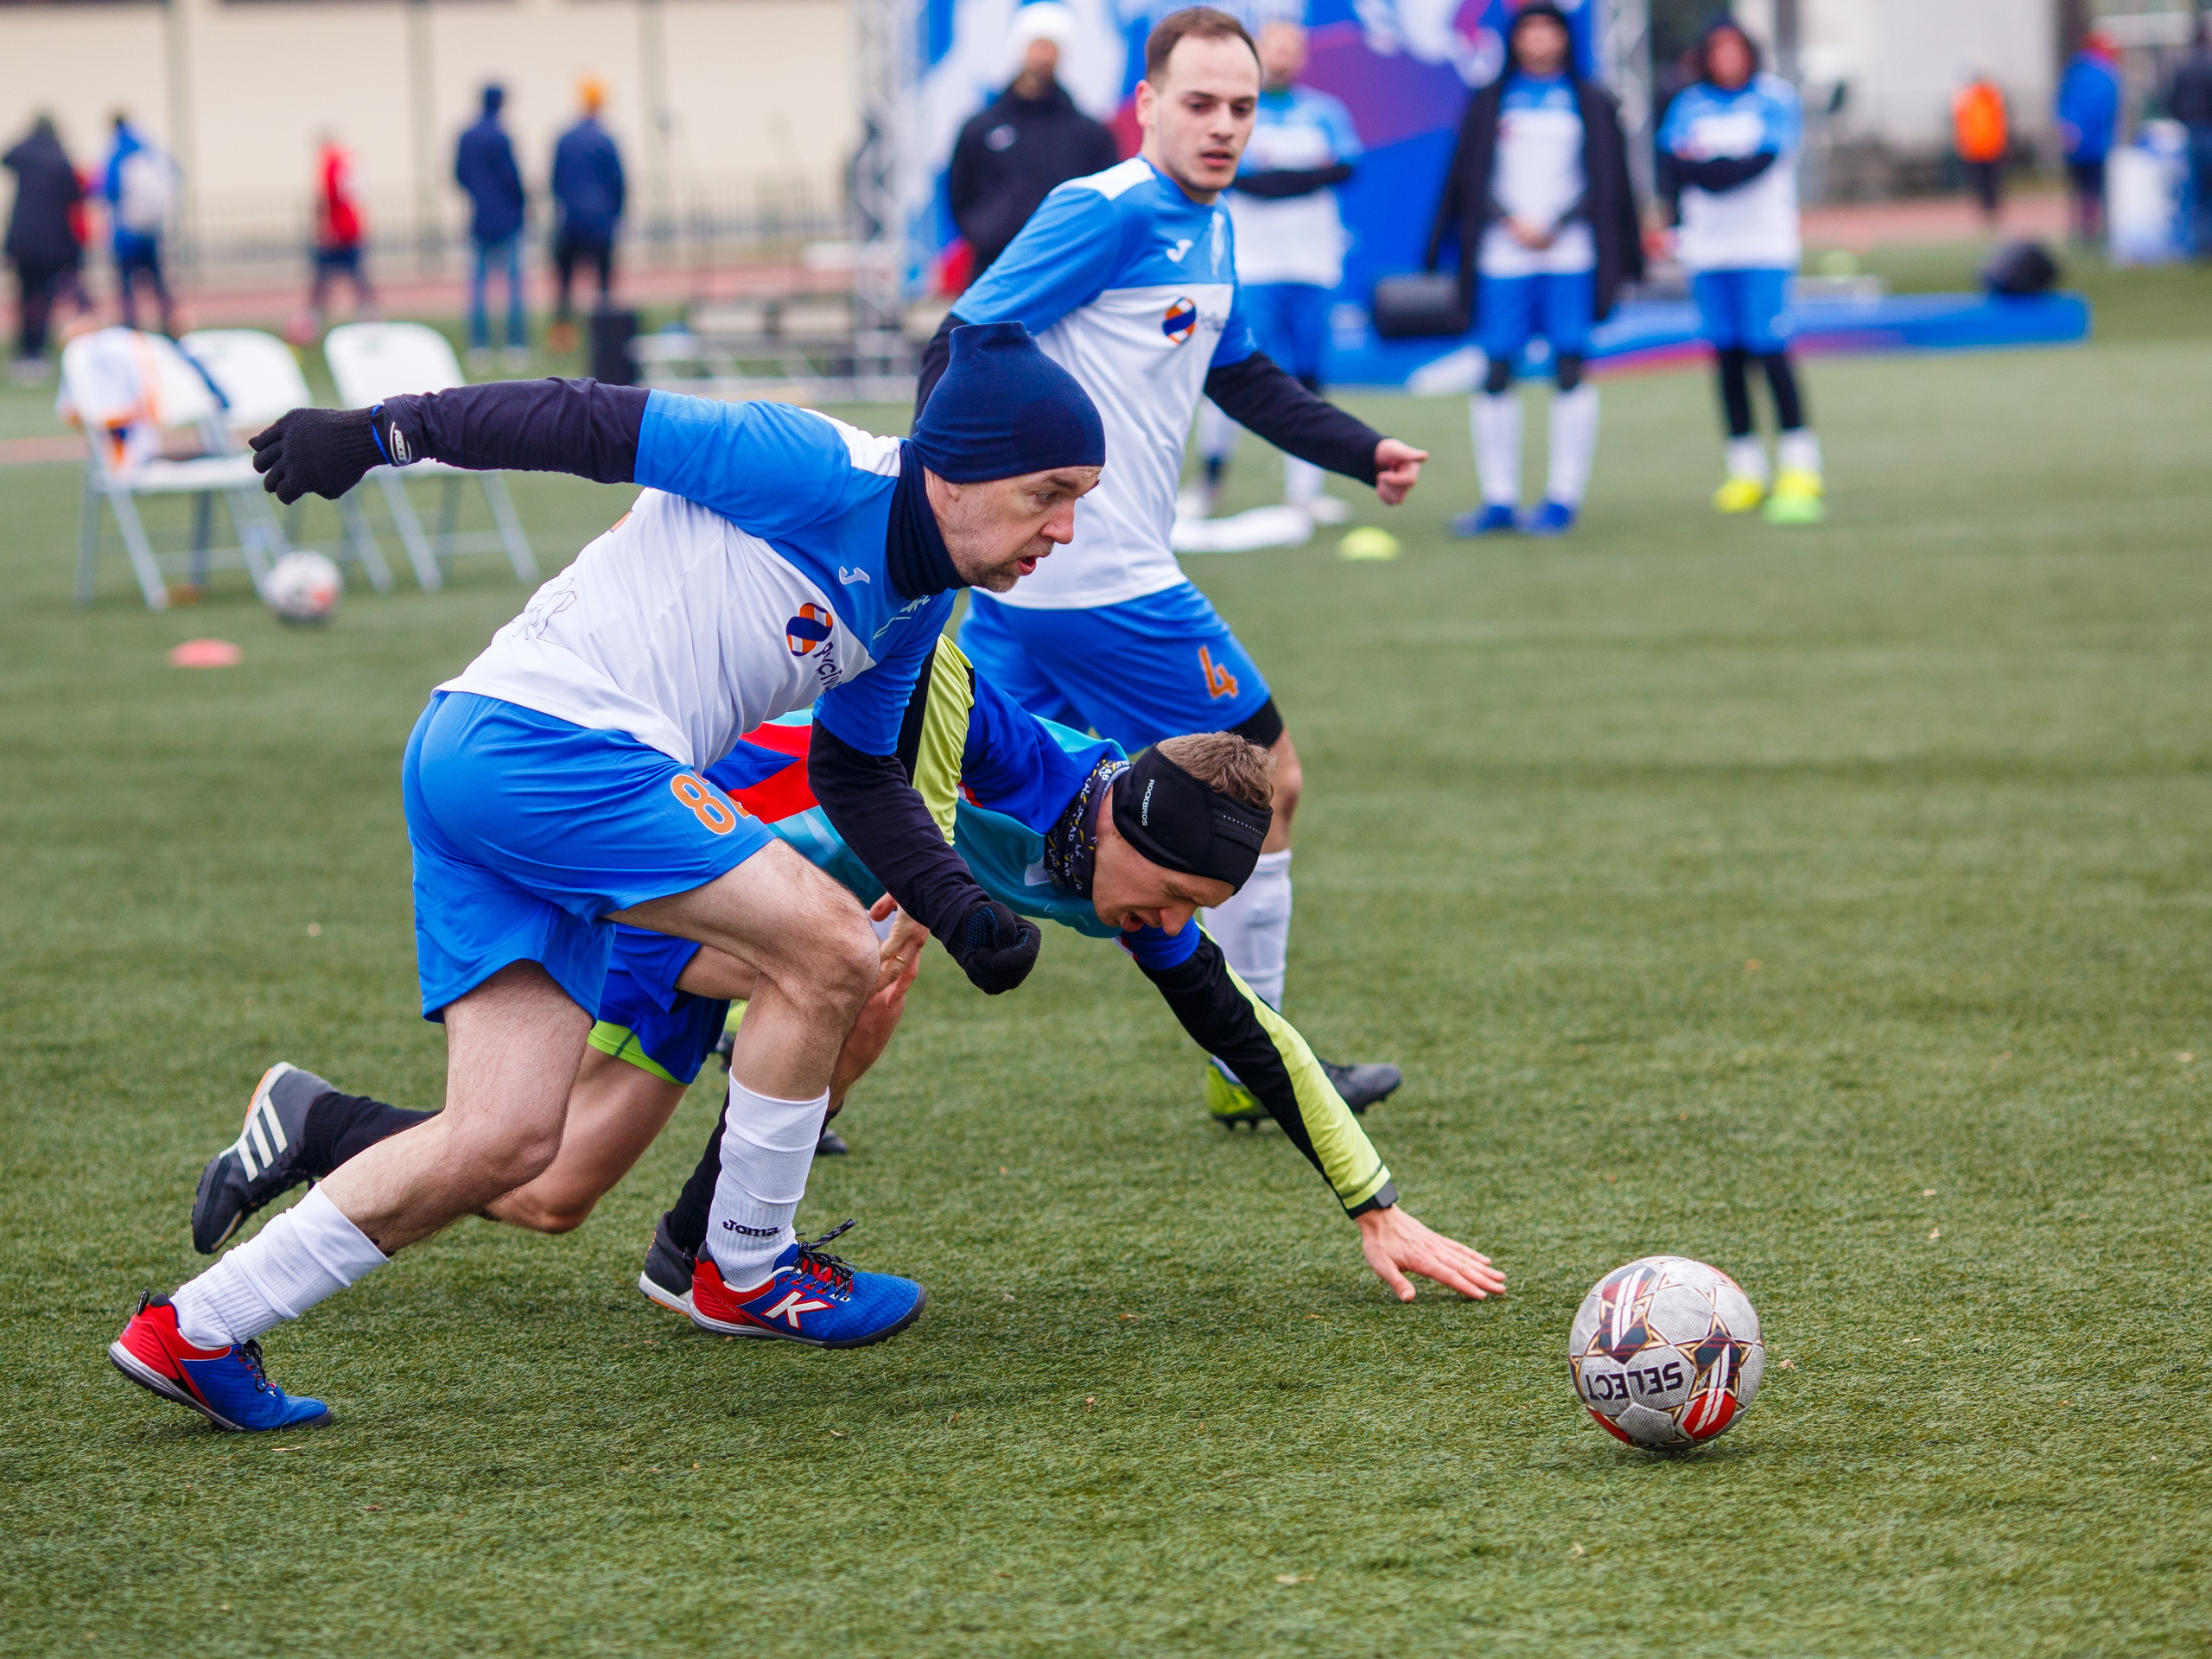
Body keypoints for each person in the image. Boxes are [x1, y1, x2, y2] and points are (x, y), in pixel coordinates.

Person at [107, 323, 1105, 1432]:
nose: (1063, 528)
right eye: (1046, 493)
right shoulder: (816, 465)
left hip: (484, 764)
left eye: (1079, 499)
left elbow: (858, 774)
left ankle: (194, 1329)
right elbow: (583, 420)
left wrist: (960, 910)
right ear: (954, 465)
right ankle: (744, 1266)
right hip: (545, 747)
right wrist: (379, 433)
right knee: (829, 949)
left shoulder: (920, 606)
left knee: (507, 1145)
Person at [185, 646, 1500, 1363]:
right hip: (687, 869)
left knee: (548, 1189)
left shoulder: (1137, 882)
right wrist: (913, 880)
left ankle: (327, 1122)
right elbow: (922, 677)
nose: (1162, 929)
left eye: (1187, 915)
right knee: (830, 987)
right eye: (1161, 897)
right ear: (1117, 818)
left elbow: (1241, 1029)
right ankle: (722, 1260)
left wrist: (1374, 1206)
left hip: (776, 939)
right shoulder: (1017, 756)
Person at [920, 8, 1428, 1129]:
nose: (1224, 126)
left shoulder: (1210, 227)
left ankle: (776, 1037)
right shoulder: (1105, 210)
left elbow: (1238, 378)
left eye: (1241, 107)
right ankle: (1263, 1066)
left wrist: (1360, 453)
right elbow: (968, 335)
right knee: (1270, 781)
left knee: (919, 819)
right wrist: (940, 504)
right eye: (1199, 103)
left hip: (1034, 594)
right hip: (1104, 585)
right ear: (1144, 106)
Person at [1425, 2, 1640, 538]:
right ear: (1515, 40)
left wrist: (1559, 222)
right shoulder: (1490, 101)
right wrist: (1510, 222)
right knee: (1497, 369)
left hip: (1571, 254)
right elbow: (1468, 178)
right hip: (1503, 255)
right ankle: (1498, 497)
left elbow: (1609, 179)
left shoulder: (1590, 101)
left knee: (1571, 366)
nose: (1540, 41)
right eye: (1529, 31)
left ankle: (1563, 496)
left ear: (1564, 38)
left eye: (1550, 31)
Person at [1189, 18, 1364, 525]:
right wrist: (1303, 177)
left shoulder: (1325, 112)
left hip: (1312, 264)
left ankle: (1304, 490)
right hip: (1252, 266)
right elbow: (1235, 176)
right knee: (1233, 370)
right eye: (1273, 51)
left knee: (1309, 376)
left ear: (1302, 57)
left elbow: (1346, 168)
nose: (1282, 60)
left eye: (1291, 51)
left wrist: (1272, 180)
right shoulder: (1236, 113)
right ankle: (1210, 483)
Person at [1657, 17, 1822, 526]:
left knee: (1770, 353)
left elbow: (1753, 165)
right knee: (1726, 359)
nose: (1728, 60)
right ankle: (1745, 470)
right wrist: (1714, 170)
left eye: (1737, 50)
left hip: (1763, 247)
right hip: (1708, 251)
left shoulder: (1774, 98)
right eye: (1718, 51)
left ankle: (1799, 469)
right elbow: (1674, 165)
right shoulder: (1689, 105)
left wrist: (1710, 168)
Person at [946, 3, 1120, 282]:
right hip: (995, 272)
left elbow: (1107, 200)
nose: (1043, 54)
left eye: (1051, 45)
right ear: (1020, 46)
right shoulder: (980, 129)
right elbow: (960, 195)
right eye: (1037, 44)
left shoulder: (1089, 134)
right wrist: (987, 231)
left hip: (1067, 273)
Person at [454, 85, 529, 366]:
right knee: (514, 287)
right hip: (508, 219)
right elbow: (512, 177)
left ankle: (479, 347)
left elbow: (459, 174)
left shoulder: (467, 136)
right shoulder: (501, 136)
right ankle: (515, 346)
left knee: (478, 287)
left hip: (479, 219)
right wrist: (522, 203)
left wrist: (478, 196)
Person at [4, 116, 83, 378]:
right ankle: (36, 350)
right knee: (43, 297)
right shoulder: (59, 158)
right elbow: (73, 195)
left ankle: (27, 349)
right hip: (51, 242)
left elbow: (8, 157)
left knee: (26, 295)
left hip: (23, 240)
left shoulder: (25, 155)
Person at [550, 76, 626, 346]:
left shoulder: (565, 138)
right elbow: (618, 182)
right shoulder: (606, 139)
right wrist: (617, 215)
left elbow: (555, 180)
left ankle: (562, 337)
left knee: (565, 286)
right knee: (603, 285)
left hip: (570, 221)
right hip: (601, 222)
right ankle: (605, 337)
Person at [101, 112, 176, 336]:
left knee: (126, 285)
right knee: (158, 282)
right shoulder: (149, 148)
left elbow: (108, 189)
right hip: (151, 230)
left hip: (126, 233)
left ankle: (132, 326)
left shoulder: (117, 152)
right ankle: (168, 322)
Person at [2056, 35, 2121, 245]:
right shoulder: (2103, 73)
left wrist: (2068, 129)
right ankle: (2095, 230)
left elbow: (2063, 104)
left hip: (2082, 143)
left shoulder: (2076, 70)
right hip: (2096, 143)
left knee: (2082, 189)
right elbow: (2106, 109)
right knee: (2096, 188)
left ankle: (2086, 230)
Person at [308, 134, 376, 327]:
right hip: (352, 225)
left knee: (325, 273)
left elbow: (327, 196)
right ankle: (368, 310)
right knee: (354, 272)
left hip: (338, 227)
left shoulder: (330, 162)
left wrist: (322, 226)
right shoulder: (348, 160)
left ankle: (315, 314)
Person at [2166, 18, 2212, 256]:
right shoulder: (2209, 65)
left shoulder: (2183, 66)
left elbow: (2171, 100)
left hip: (2191, 132)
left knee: (2193, 192)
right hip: (2208, 130)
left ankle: (2193, 245)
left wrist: (2184, 119)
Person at [1952, 73, 2009, 229]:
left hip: (1989, 147)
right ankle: (1986, 212)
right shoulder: (1973, 100)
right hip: (1977, 149)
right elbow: (1963, 125)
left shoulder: (1989, 98)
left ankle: (1992, 211)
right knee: (1982, 183)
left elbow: (1998, 123)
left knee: (1991, 183)